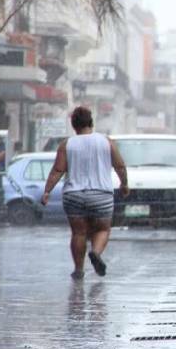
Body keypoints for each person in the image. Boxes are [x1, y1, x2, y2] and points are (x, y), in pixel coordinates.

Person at [41, 106, 129, 280]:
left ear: (74, 125)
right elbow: (120, 165)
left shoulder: (67, 144)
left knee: (78, 233)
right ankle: (95, 252)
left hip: (74, 195)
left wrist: (47, 191)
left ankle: (78, 269)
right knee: (103, 229)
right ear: (91, 122)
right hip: (101, 194)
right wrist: (124, 184)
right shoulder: (107, 142)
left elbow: (58, 170)